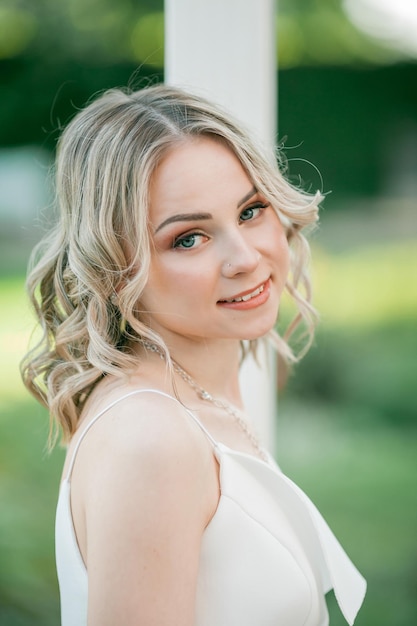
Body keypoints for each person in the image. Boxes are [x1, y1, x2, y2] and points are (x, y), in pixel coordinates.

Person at [21, 84, 366, 626]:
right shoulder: (152, 439)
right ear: (114, 268)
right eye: (189, 239)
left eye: (251, 210)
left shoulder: (199, 393)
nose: (246, 258)